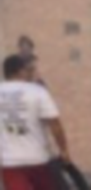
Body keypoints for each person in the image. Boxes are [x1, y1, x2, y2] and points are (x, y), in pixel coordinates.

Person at [0, 55, 70, 190]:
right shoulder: (37, 92)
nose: (30, 73)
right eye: (28, 70)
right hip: (39, 160)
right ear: (19, 71)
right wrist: (64, 150)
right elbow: (55, 124)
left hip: (9, 163)